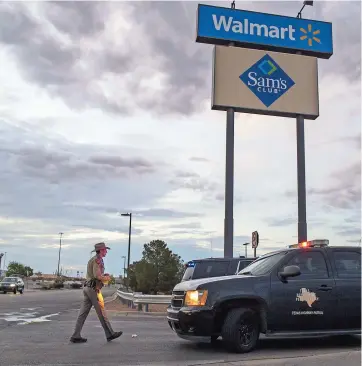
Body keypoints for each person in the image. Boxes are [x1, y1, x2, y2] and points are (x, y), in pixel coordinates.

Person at [70, 242, 123, 343]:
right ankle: (110, 334)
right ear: (101, 250)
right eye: (105, 250)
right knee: (102, 312)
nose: (106, 251)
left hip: (87, 288)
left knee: (83, 314)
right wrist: (106, 277)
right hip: (93, 289)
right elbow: (97, 275)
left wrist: (103, 275)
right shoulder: (97, 260)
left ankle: (76, 335)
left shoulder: (92, 259)